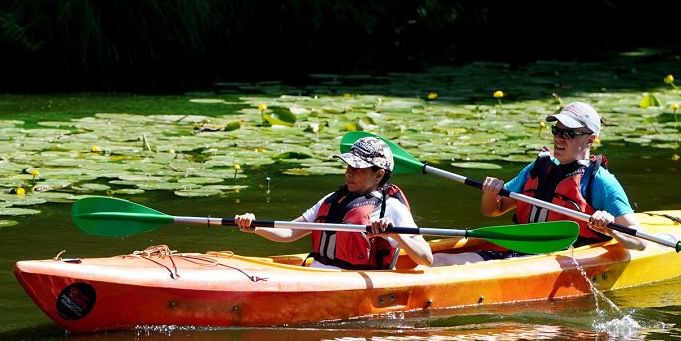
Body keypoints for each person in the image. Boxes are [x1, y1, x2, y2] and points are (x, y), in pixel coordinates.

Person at [434, 101, 645, 265]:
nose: (559, 138)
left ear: (590, 139)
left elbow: (640, 242)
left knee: (444, 262)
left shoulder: (601, 181)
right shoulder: (538, 168)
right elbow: (492, 211)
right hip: (523, 249)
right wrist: (490, 193)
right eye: (557, 130)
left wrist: (609, 228)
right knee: (439, 259)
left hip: (565, 258)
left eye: (568, 133)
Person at [234, 136, 436, 269]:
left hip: (354, 283)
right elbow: (289, 232)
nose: (349, 172)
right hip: (317, 275)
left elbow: (426, 259)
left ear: (379, 175)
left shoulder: (391, 208)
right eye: (348, 165)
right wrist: (255, 226)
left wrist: (396, 235)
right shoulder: (333, 199)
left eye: (358, 168)